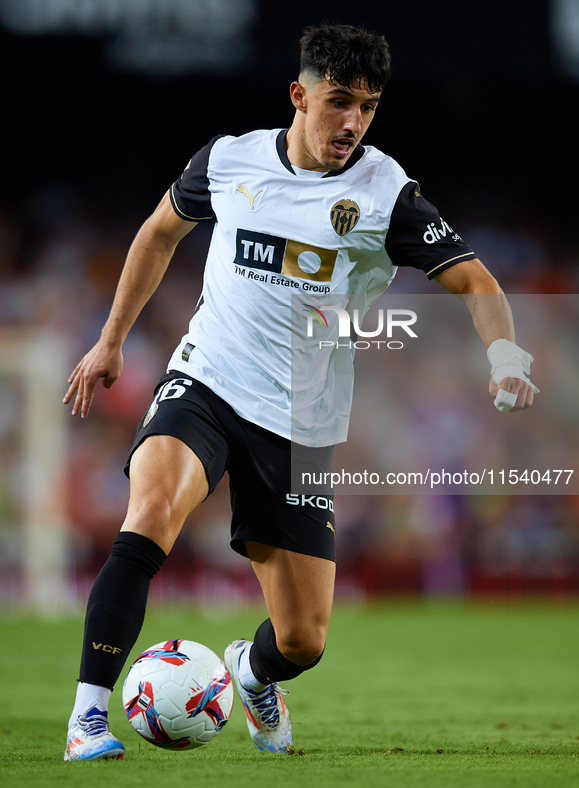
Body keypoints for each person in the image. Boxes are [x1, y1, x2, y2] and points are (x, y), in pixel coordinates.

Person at [62, 23, 538, 761]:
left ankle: (250, 676)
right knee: (150, 513)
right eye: (339, 101)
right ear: (299, 94)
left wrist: (506, 357)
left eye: (368, 106)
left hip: (300, 422)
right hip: (208, 380)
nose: (352, 121)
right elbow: (159, 233)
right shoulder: (227, 160)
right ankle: (88, 717)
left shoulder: (387, 196)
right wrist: (111, 338)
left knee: (302, 640)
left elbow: (473, 280)